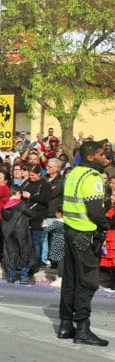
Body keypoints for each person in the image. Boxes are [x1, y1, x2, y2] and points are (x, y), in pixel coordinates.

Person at [58, 140, 113, 346]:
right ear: (91, 157)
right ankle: (82, 328)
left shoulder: (74, 173)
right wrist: (106, 227)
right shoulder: (92, 177)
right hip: (84, 234)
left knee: (70, 280)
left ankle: (65, 325)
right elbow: (94, 210)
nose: (104, 158)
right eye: (101, 154)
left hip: (70, 231)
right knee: (87, 281)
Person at [1, 185, 36, 283]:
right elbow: (32, 214)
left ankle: (11, 276)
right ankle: (24, 277)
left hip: (8, 233)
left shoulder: (4, 207)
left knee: (10, 253)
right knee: (24, 252)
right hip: (21, 232)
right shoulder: (21, 204)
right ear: (17, 193)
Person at [44, 207, 65, 287]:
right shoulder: (67, 222)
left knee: (60, 261)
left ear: (59, 213)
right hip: (65, 242)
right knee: (63, 261)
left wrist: (45, 224)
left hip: (58, 243)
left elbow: (47, 229)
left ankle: (60, 279)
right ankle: (63, 278)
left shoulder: (57, 223)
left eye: (56, 213)